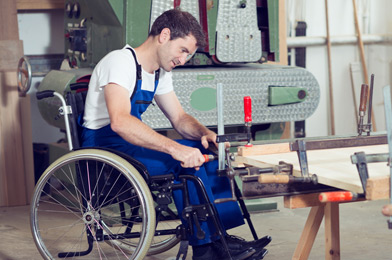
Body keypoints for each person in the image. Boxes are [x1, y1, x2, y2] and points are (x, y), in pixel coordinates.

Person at [81, 8, 270, 260]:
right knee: (180, 158)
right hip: (105, 148)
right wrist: (175, 148)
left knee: (204, 151)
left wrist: (205, 134)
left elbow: (179, 119)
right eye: (182, 50)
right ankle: (205, 249)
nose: (184, 60)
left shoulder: (159, 72)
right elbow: (121, 122)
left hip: (129, 143)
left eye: (188, 55)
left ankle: (219, 237)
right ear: (164, 35)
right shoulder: (120, 62)